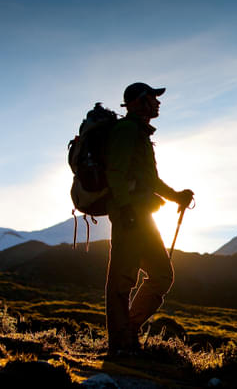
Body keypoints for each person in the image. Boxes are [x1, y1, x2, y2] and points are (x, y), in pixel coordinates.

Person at [103, 82, 193, 356]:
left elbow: (149, 179)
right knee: (122, 279)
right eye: (152, 98)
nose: (157, 103)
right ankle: (121, 344)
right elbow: (114, 172)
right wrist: (126, 208)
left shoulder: (139, 133)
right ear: (138, 102)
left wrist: (177, 196)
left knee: (161, 275)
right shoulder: (127, 130)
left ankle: (127, 333)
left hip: (142, 214)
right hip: (130, 215)